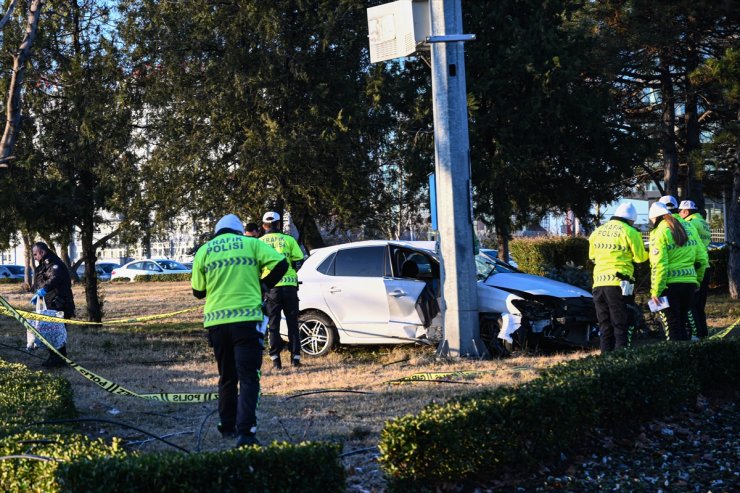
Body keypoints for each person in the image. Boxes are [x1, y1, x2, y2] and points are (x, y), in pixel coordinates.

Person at [191, 213, 288, 447]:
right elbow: (282, 263)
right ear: (238, 231)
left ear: (217, 232)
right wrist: (264, 284)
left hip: (217, 324)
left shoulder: (204, 250)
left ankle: (226, 426)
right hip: (247, 320)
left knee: (226, 376)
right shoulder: (251, 243)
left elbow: (198, 291)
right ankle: (246, 431)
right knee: (248, 377)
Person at [588, 203, 648, 353]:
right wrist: (652, 253)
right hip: (619, 283)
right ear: (631, 220)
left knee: (604, 323)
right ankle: (621, 357)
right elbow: (640, 258)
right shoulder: (630, 232)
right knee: (620, 322)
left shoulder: (597, 231)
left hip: (599, 282)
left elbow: (592, 256)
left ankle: (605, 357)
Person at [648, 202, 708, 342]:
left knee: (672, 327)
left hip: (669, 286)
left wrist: (656, 290)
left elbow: (659, 264)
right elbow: (702, 258)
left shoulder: (659, 232)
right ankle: (685, 358)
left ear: (656, 218)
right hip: (689, 284)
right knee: (682, 323)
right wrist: (697, 280)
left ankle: (675, 360)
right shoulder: (689, 227)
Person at [260, 211, 305, 369]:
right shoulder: (289, 240)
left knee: (273, 325)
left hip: (271, 289)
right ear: (279, 224)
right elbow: (299, 260)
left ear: (264, 225)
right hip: (290, 287)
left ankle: (276, 361)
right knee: (293, 324)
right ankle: (296, 359)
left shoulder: (258, 243)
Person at [30, 242, 76, 367]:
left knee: (57, 332)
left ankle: (59, 359)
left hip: (59, 304)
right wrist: (37, 293)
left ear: (42, 252)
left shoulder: (55, 264)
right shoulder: (44, 265)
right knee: (49, 331)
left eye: (35, 254)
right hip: (48, 304)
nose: (34, 257)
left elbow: (54, 279)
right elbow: (40, 281)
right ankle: (53, 357)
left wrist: (43, 290)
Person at [678, 200, 712, 338]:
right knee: (700, 306)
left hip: (696, 265)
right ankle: (703, 333)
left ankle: (696, 335)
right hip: (705, 264)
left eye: (680, 211)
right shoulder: (703, 222)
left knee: (692, 306)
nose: (679, 214)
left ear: (686, 212)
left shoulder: (690, 223)